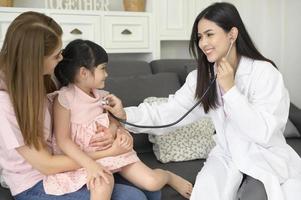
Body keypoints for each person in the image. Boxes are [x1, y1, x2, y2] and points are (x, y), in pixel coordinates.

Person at [104, 2, 301, 200]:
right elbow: (168, 111)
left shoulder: (265, 73)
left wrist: (230, 90)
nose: (203, 43)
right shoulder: (202, 78)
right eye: (200, 37)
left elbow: (264, 132)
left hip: (264, 157)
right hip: (226, 157)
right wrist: (125, 114)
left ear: (232, 34)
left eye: (209, 34)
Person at [0, 11, 161, 200]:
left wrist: (117, 128)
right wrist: (107, 153)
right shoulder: (5, 105)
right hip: (36, 181)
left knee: (152, 189)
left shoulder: (46, 78)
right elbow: (47, 165)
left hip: (70, 166)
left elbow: (92, 112)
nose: (61, 59)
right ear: (35, 60)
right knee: (132, 197)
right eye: (55, 55)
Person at [46, 38, 193, 199]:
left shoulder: (103, 96)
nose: (107, 74)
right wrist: (89, 164)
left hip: (115, 153)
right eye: (103, 68)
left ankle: (168, 176)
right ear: (83, 72)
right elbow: (63, 140)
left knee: (152, 183)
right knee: (102, 183)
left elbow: (114, 120)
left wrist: (113, 129)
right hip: (83, 160)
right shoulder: (64, 99)